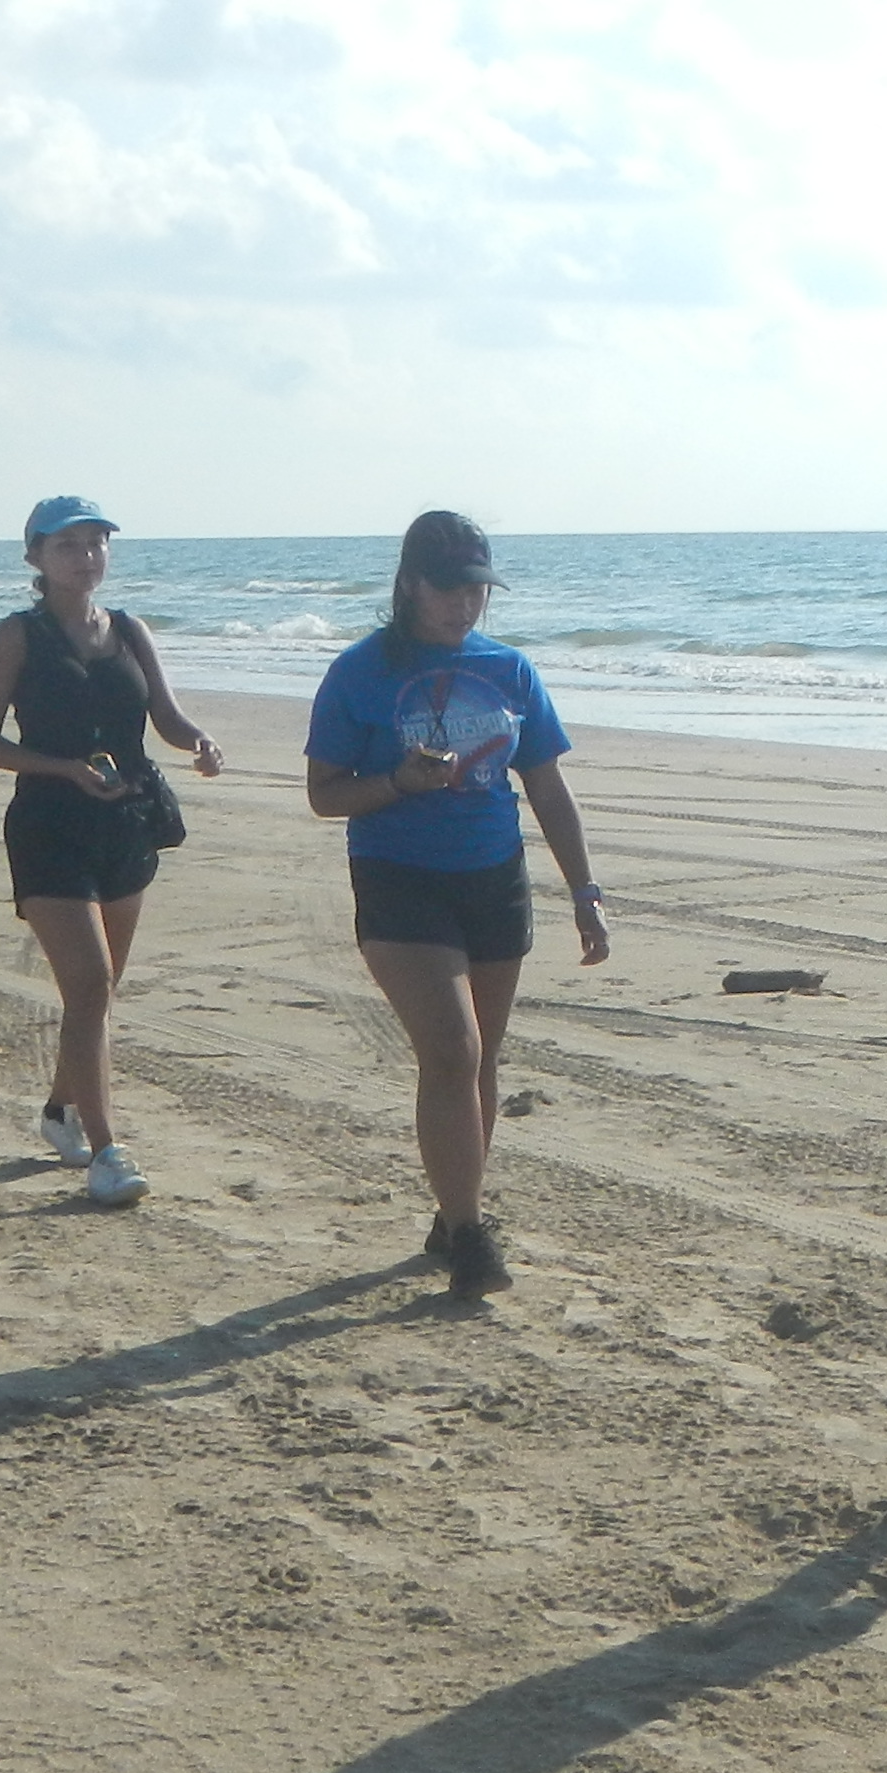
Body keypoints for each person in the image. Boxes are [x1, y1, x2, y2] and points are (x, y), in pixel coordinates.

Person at [303, 511, 609, 1298]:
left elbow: (547, 786)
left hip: (492, 876)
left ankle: (451, 1211)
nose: (465, 605)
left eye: (477, 590)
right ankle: (471, 1237)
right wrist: (398, 782)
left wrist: (584, 890)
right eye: (449, 589)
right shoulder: (359, 673)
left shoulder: (509, 670)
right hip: (399, 876)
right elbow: (324, 794)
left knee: (480, 1061)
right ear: (410, 584)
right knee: (452, 1051)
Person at [0, 495, 224, 1206]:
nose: (86, 557)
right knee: (88, 983)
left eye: (96, 543)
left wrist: (199, 741)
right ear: (36, 557)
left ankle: (60, 1109)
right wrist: (64, 769)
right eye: (68, 546)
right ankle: (108, 1151)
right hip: (50, 825)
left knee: (98, 993)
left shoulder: (130, 630)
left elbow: (165, 716)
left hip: (127, 821)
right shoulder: (16, 636)